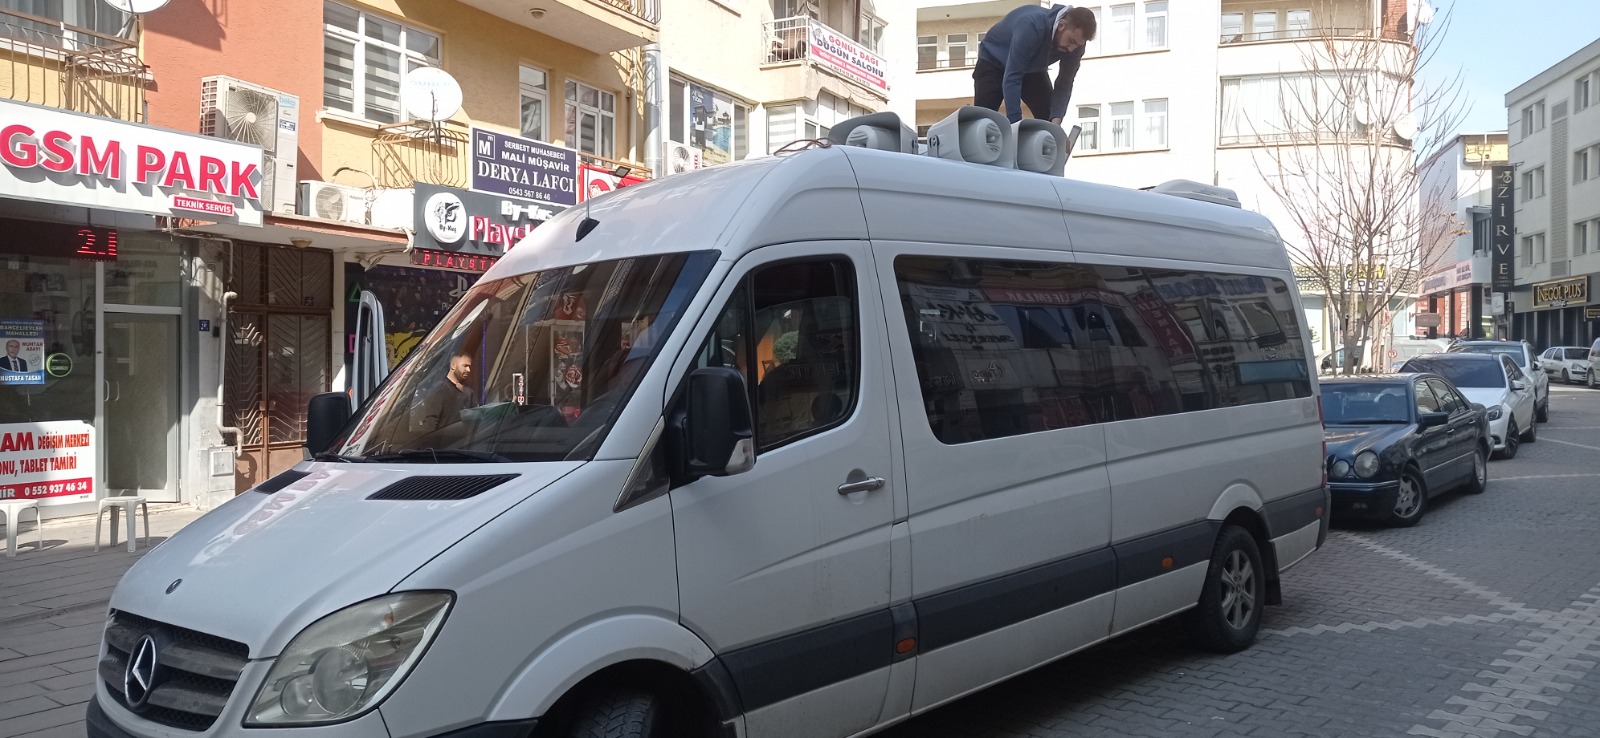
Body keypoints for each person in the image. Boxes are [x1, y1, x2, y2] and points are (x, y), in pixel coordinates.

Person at [974, 4, 1097, 125]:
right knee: (983, 122)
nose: (1071, 49)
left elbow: (1064, 84)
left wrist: (1056, 121)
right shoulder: (1032, 26)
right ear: (1061, 25)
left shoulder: (1076, 46)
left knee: (1049, 118)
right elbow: (1012, 77)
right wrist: (1016, 125)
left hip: (1032, 69)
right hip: (993, 61)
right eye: (1071, 41)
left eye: (1077, 45)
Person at [420, 343, 477, 430]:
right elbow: (430, 425)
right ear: (453, 365)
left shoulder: (469, 393)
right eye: (465, 366)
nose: (468, 370)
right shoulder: (439, 390)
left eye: (469, 366)